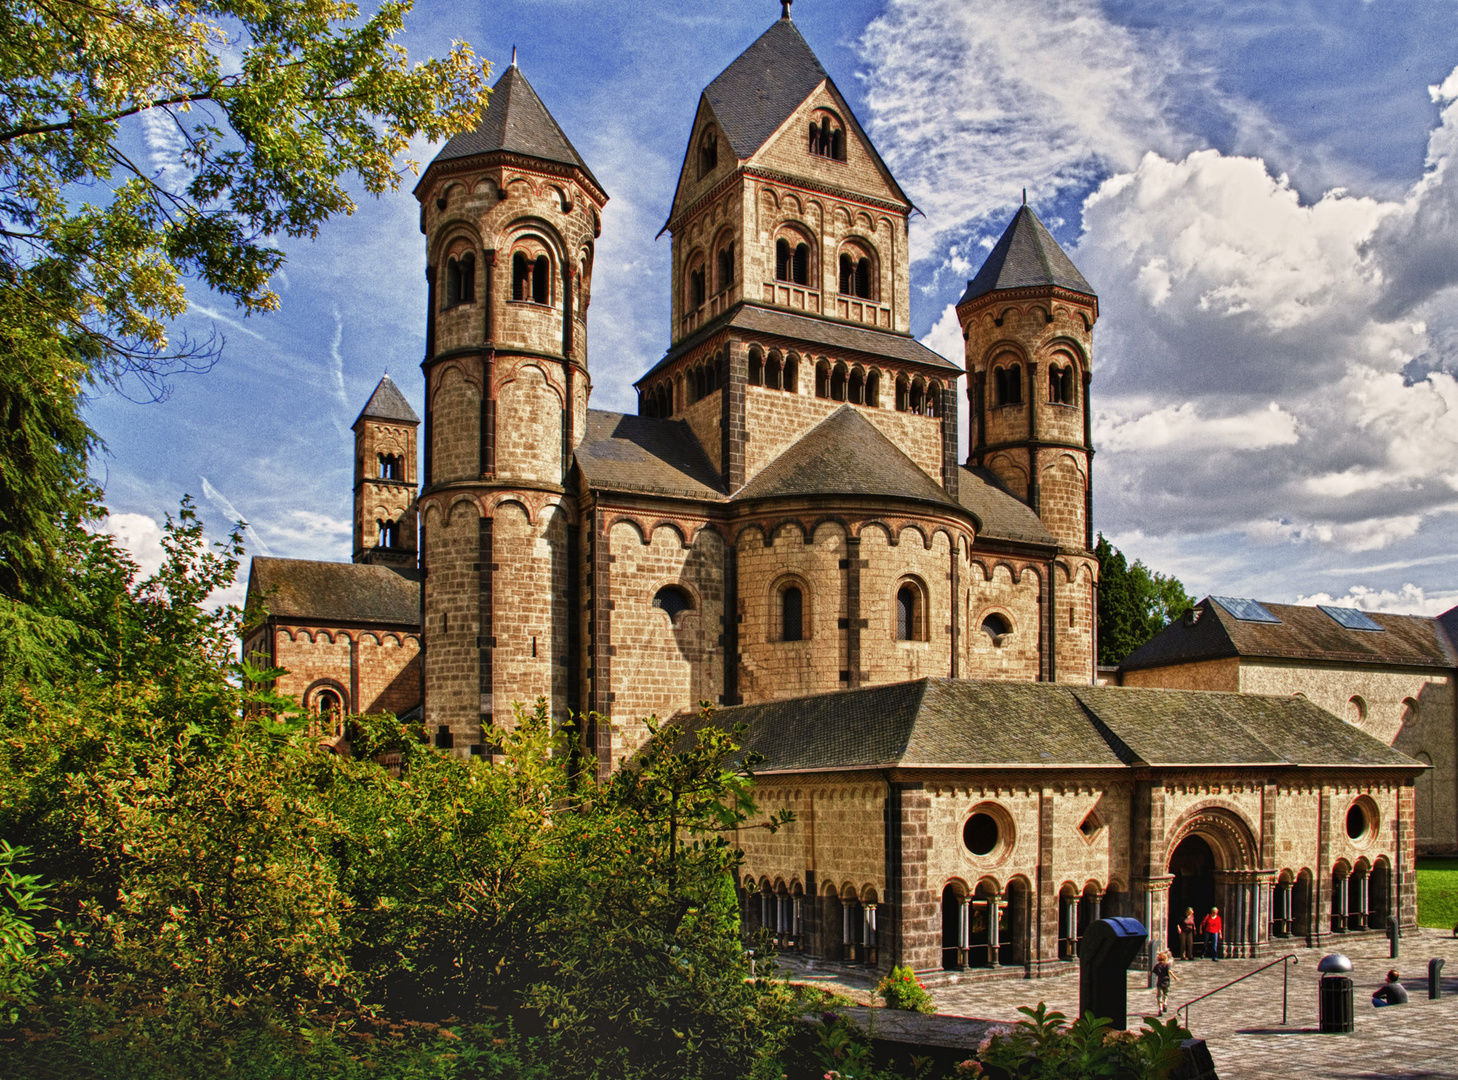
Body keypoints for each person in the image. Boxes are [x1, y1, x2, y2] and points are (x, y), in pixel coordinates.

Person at [1153, 949, 1178, 1015]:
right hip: (1166, 982)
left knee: (1159, 996)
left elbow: (1154, 973)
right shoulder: (1167, 965)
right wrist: (1175, 977)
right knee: (1166, 994)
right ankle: (1165, 1003)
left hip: (1159, 982)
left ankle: (1160, 1008)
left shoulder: (1157, 966)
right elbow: (1169, 971)